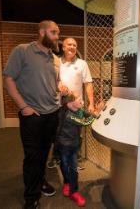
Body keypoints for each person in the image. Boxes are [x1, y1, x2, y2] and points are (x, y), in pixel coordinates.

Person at [3, 20, 68, 209]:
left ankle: (40, 182)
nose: (57, 36)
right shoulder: (22, 51)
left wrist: (60, 87)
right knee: (32, 156)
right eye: (54, 32)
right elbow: (8, 79)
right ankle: (31, 197)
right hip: (32, 115)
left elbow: (55, 83)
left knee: (43, 154)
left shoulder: (55, 59)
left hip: (52, 113)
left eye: (58, 32)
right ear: (41, 32)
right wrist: (23, 106)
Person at [56, 37, 94, 206]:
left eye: (74, 45)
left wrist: (92, 104)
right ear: (63, 47)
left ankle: (72, 184)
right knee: (61, 147)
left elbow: (88, 84)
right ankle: (67, 180)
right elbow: (51, 82)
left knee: (71, 147)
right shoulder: (56, 63)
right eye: (69, 44)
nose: (72, 47)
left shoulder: (82, 64)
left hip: (75, 109)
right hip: (57, 109)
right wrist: (58, 87)